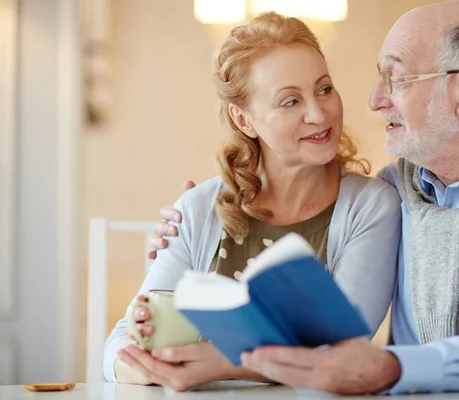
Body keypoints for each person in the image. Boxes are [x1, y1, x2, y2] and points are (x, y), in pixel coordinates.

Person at [153, 0, 459, 395]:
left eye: (396, 79)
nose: (373, 100)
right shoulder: (398, 191)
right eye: (377, 78)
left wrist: (389, 367)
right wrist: (178, 228)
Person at [103, 12, 402, 392]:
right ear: (243, 120)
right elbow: (122, 344)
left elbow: (342, 352)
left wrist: (220, 362)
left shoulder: (372, 205)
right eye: (290, 101)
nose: (319, 113)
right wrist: (149, 365)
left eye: (324, 89)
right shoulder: (197, 208)